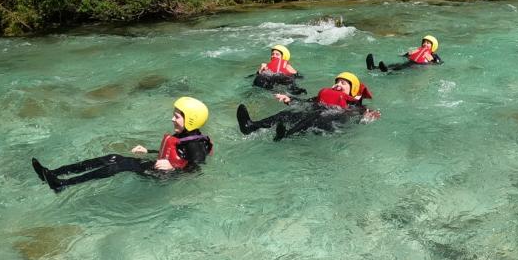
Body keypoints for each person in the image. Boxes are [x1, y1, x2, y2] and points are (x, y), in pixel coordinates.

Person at [31, 97, 212, 192]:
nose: (172, 118)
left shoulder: (195, 145)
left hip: (164, 176)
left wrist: (173, 168)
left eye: (177, 116)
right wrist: (148, 150)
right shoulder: (185, 135)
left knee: (118, 165)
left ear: (191, 120)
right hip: (160, 168)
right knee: (112, 157)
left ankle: (63, 184)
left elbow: (195, 170)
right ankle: (54, 173)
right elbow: (177, 152)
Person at [236, 72, 378, 140]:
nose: (338, 85)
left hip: (330, 122)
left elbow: (363, 114)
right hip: (315, 114)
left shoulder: (355, 106)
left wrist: (368, 117)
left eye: (343, 83)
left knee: (317, 116)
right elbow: (306, 102)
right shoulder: (322, 97)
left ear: (352, 90)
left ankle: (286, 135)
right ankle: (251, 126)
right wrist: (289, 99)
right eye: (337, 82)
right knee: (289, 113)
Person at [366, 35, 442, 73]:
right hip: (411, 62)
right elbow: (407, 55)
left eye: (428, 43)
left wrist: (432, 61)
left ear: (433, 46)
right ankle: (374, 67)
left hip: (418, 66)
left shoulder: (434, 55)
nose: (425, 44)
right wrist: (406, 54)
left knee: (402, 67)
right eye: (424, 42)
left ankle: (387, 70)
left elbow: (440, 63)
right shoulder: (417, 50)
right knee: (397, 64)